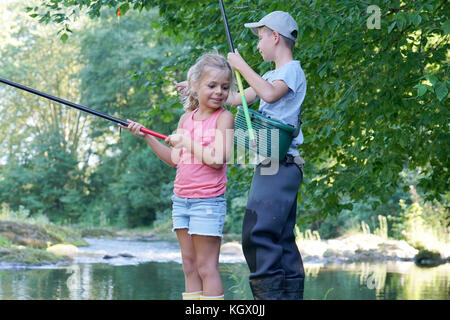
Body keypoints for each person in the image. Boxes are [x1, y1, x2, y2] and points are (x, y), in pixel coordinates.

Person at [121, 53, 235, 300]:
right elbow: (174, 159)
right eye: (212, 85)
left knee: (206, 268)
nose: (219, 92)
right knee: (189, 266)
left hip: (207, 202)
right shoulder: (186, 119)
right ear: (195, 86)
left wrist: (186, 141)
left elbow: (217, 159)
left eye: (225, 87)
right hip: (181, 201)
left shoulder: (224, 118)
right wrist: (147, 136)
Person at [226, 11, 307, 300]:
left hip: (280, 165)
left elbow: (270, 94)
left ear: (275, 36)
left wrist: (241, 65)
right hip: (273, 164)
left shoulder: (291, 71)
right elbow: (235, 99)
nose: (258, 45)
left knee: (258, 233)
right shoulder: (271, 75)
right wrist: (198, 90)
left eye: (260, 37)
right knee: (281, 239)